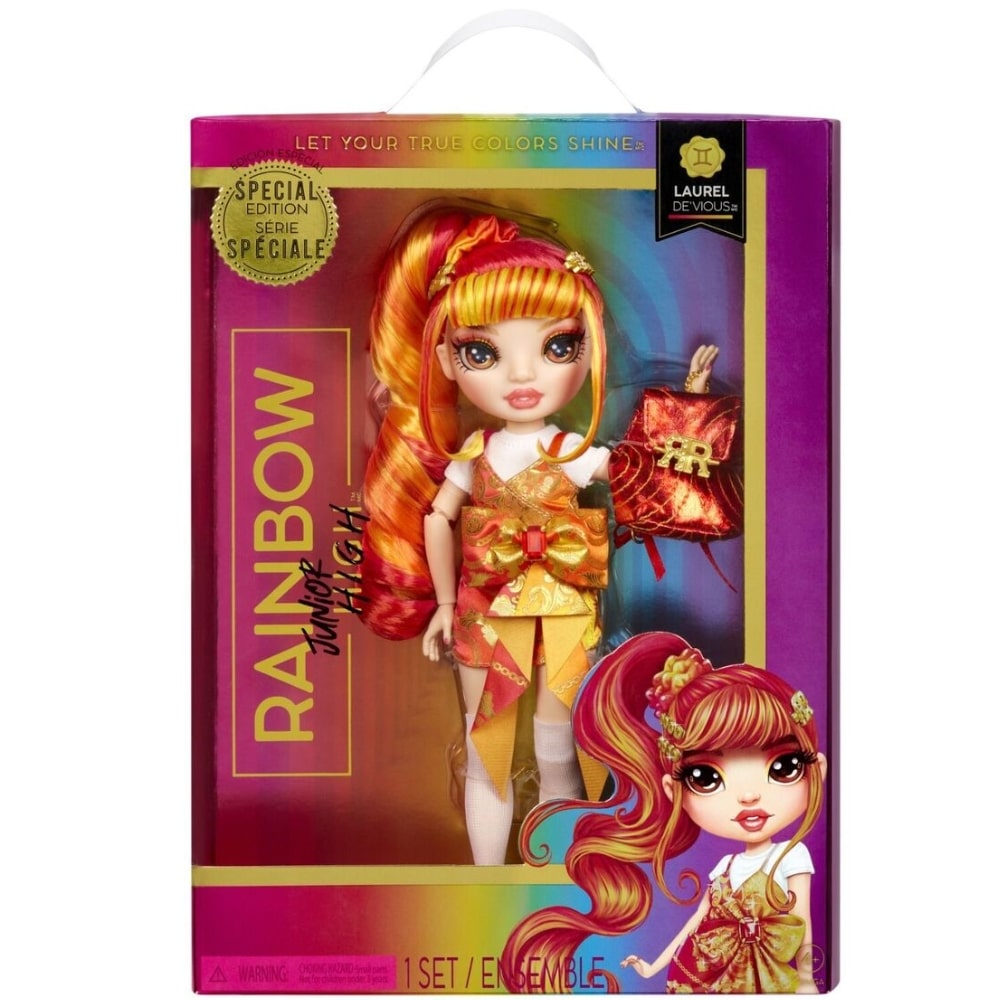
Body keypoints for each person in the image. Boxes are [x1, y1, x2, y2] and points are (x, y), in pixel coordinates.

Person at [361, 205, 716, 865]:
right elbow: (437, 518)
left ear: (590, 345)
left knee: (558, 749)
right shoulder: (473, 455)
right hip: (485, 612)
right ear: (445, 358)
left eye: (556, 347)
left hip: (564, 614)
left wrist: (690, 404)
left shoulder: (571, 453)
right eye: (483, 352)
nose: (522, 378)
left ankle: (552, 870)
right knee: (487, 752)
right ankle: (485, 879)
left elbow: (644, 472)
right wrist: (443, 604)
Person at [500, 631, 826, 992]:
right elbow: (694, 924)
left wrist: (808, 981)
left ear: (818, 769)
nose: (749, 796)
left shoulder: (792, 856)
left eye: (783, 768)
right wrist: (652, 966)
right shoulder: (724, 868)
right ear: (674, 791)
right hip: (705, 976)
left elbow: (802, 923)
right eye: (706, 778)